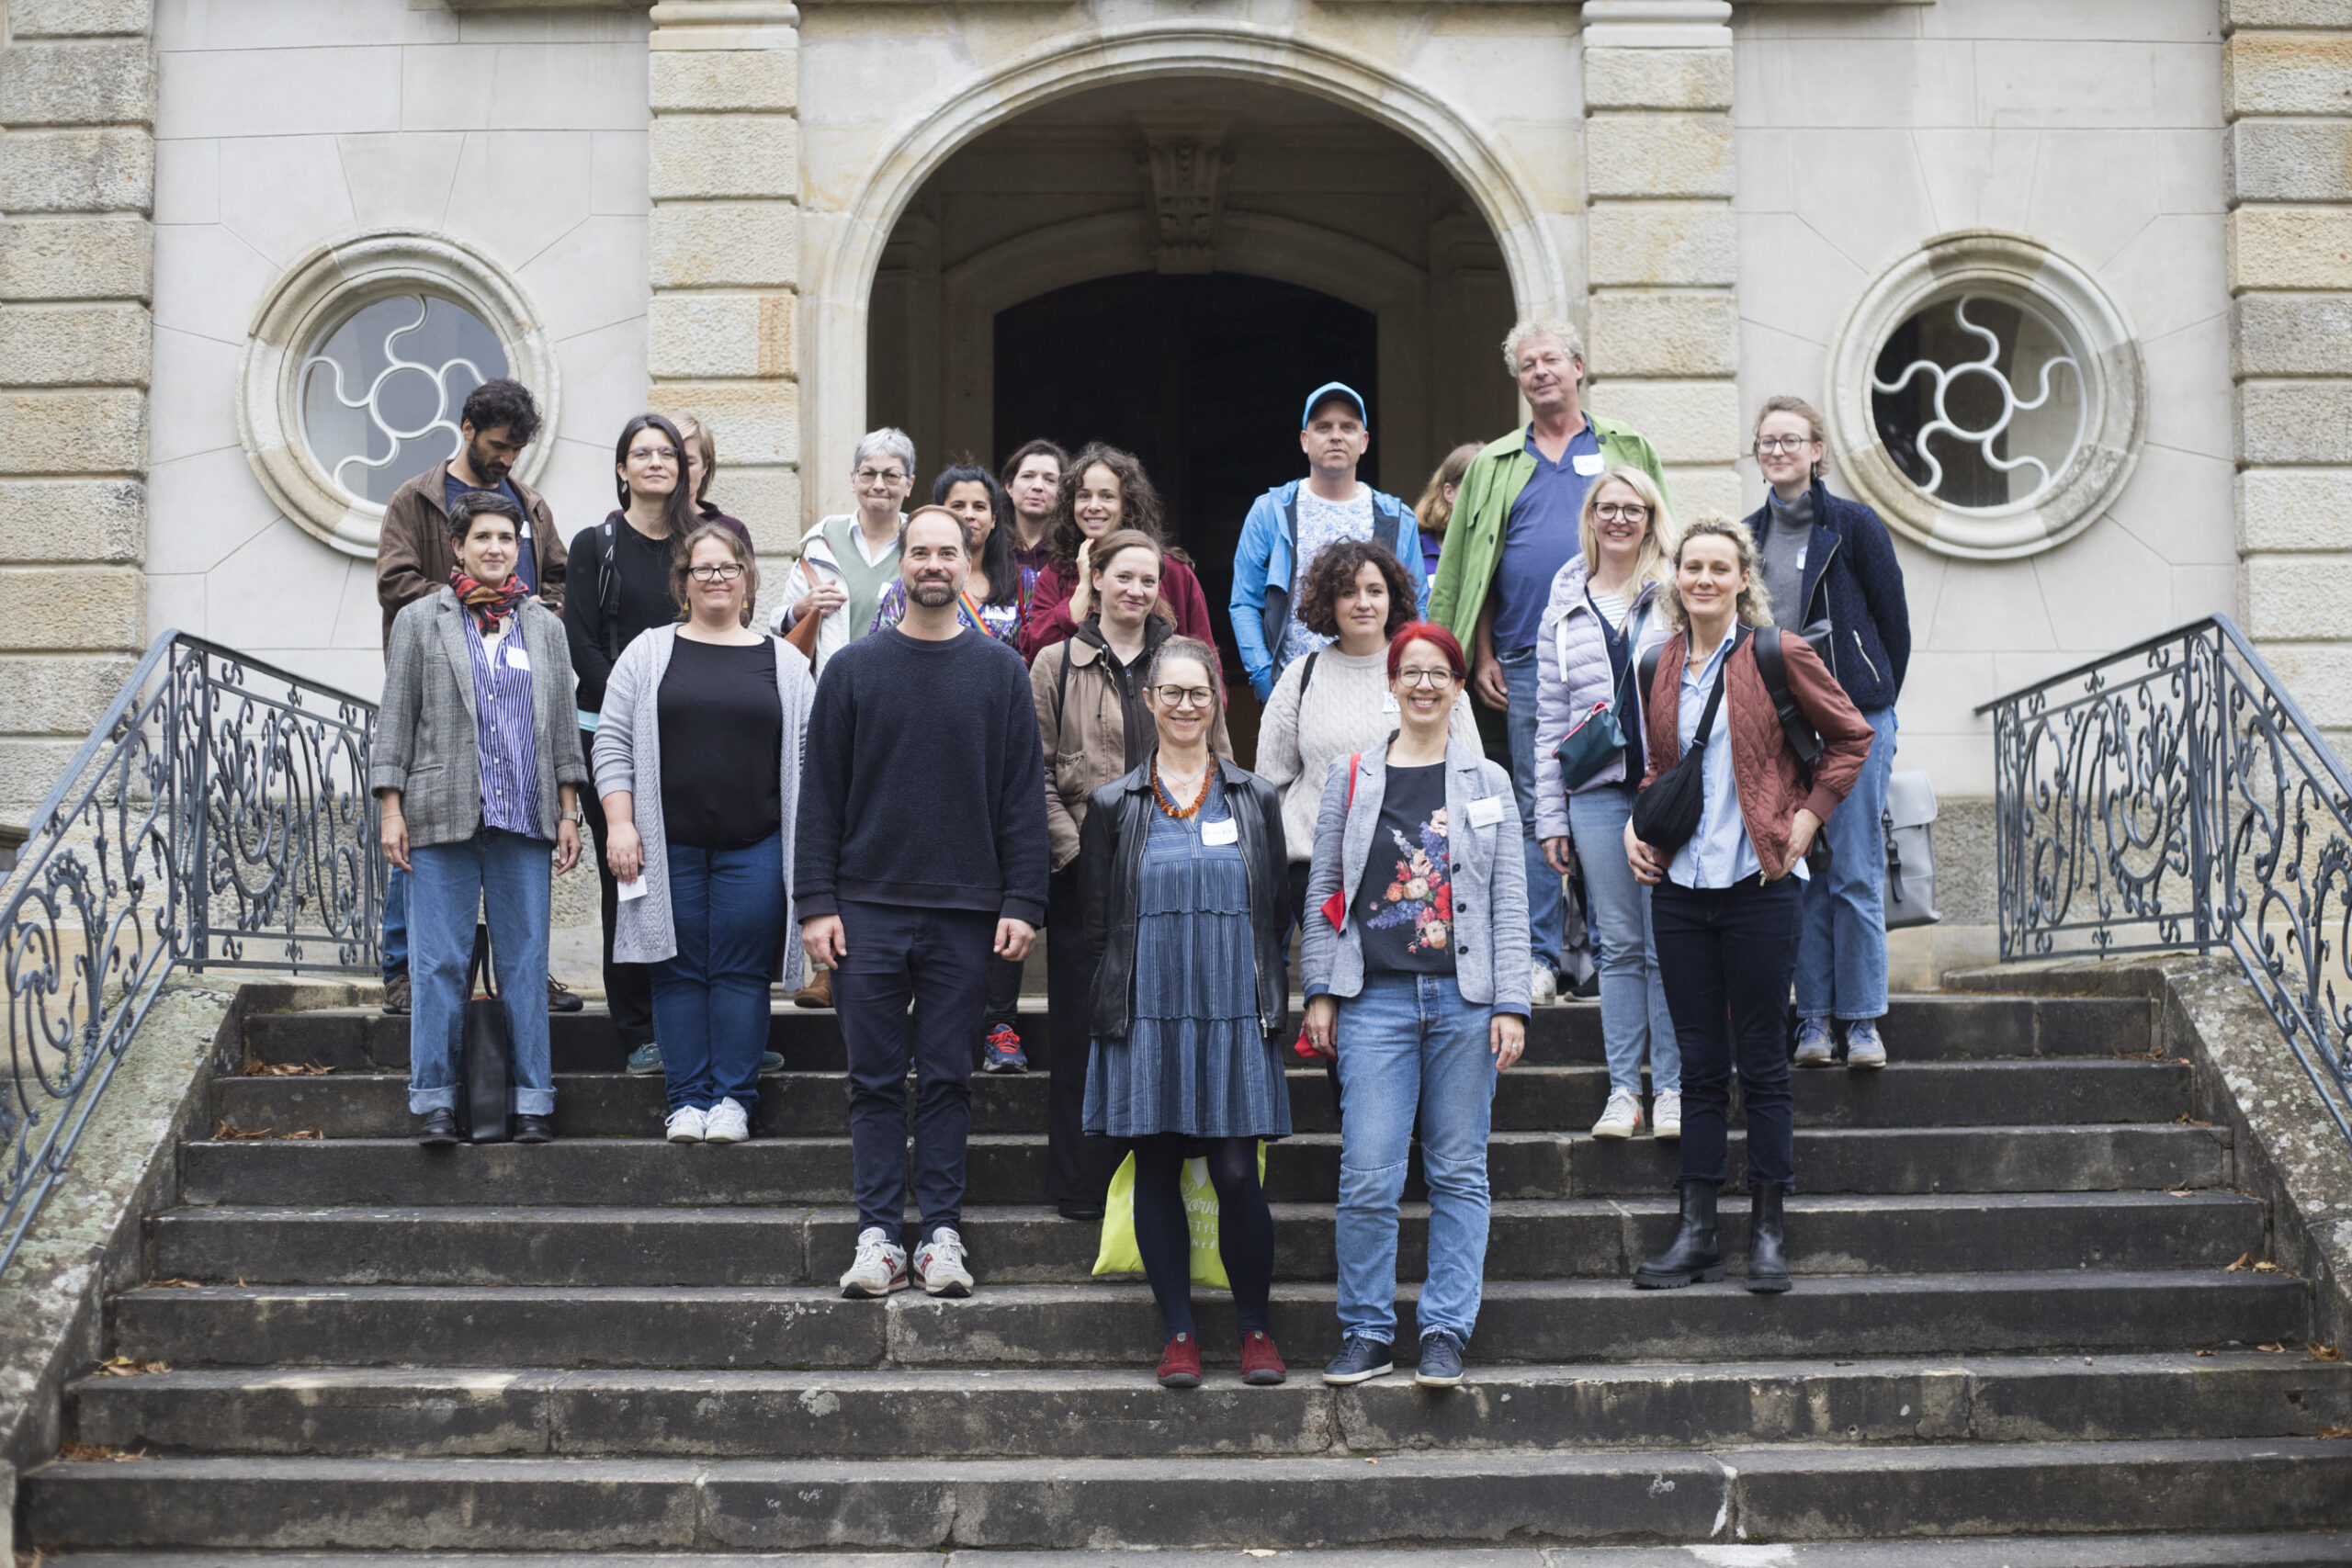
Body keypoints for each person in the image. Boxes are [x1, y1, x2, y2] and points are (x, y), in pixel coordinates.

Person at [798, 506, 1050, 1300]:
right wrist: (815, 903)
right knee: (873, 1078)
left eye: (949, 551)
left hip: (968, 912)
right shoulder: (852, 671)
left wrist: (1024, 900)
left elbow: (1021, 799)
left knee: (947, 1075)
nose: (933, 563)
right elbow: (820, 799)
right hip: (865, 907)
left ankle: (940, 1232)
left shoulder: (1001, 672)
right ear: (900, 564)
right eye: (920, 552)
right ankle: (877, 1233)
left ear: (969, 562)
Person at [1623, 515, 1873, 1294]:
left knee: (1762, 1063)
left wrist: (1807, 817)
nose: (1702, 578)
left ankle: (1768, 1230)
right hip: (1681, 891)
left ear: (1741, 579)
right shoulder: (1654, 663)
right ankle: (1697, 1231)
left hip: (1760, 886)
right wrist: (1639, 825)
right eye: (1690, 566)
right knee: (1699, 1066)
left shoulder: (1777, 652)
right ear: (1673, 579)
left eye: (1717, 567)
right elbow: (1660, 767)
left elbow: (1852, 737)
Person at [1301, 623, 1529, 1390]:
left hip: (1466, 1003)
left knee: (1460, 1171)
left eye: (1441, 673)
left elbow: (1508, 896)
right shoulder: (1352, 775)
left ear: (1459, 687)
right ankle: (1367, 1329)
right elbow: (1325, 891)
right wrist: (1321, 989)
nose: (1425, 684)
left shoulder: (1488, 782)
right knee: (1368, 1170)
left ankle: (1444, 1330)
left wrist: (1513, 1002)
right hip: (1375, 1001)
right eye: (1412, 672)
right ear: (1391, 683)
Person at [1429, 320, 1669, 1006]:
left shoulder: (1626, 446)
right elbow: (1468, 568)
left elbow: (1669, 543)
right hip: (1527, 657)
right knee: (1541, 808)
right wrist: (1477, 653)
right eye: (1526, 364)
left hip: (1625, 654)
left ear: (1578, 367)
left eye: (1550, 360)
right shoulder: (1495, 463)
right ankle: (1539, 954)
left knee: (1620, 791)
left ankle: (1604, 951)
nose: (1539, 372)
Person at [1077, 635, 1290, 1389]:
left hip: (1232, 1009)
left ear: (1218, 700)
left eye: (1199, 692)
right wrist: (1109, 1013)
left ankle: (1256, 1328)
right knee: (1158, 1165)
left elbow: (1276, 912)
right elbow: (1098, 925)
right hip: (1147, 1011)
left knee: (1237, 1170)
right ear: (1150, 701)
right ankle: (1178, 1333)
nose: (1186, 705)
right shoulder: (1113, 804)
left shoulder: (1256, 798)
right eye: (1171, 692)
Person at [371, 490, 588, 1145]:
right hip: (441, 815)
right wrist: (390, 808)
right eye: (483, 537)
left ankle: (532, 1103)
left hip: (524, 814)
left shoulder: (544, 627)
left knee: (525, 961)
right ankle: (434, 1101)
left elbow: (559, 727)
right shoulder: (419, 620)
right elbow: (395, 718)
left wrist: (570, 808)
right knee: (438, 963)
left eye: (507, 537)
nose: (496, 548)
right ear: (459, 546)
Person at [1031, 530, 1233, 1218]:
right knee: (1085, 1029)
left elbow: (1221, 766)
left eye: (1149, 580)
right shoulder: (1055, 662)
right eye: (1124, 577)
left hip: (1177, 882)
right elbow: (1035, 776)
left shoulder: (1185, 662)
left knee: (1166, 1025)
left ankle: (1160, 1185)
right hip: (1082, 879)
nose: (1138, 590)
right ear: (1096, 578)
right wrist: (1084, 855)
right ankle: (1084, 1184)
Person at [568, 414, 775, 1081]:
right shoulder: (594, 544)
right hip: (617, 733)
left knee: (711, 893)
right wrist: (640, 704)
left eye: (667, 452)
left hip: (700, 736)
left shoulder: (704, 543)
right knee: (629, 882)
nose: (656, 461)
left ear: (686, 468)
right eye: (641, 452)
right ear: (622, 467)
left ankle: (728, 1026)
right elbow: (582, 643)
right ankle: (639, 1028)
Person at [594, 524, 809, 1144]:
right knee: (677, 969)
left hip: (759, 847)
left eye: (728, 567)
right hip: (666, 846)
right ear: (683, 584)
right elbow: (610, 743)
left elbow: (810, 761)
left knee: (741, 972)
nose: (716, 577)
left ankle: (734, 1102)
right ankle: (686, 1101)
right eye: (702, 568)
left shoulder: (787, 662)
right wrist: (620, 822)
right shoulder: (648, 652)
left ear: (747, 579)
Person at [374, 378, 571, 1022]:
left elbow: (558, 575)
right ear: (466, 427)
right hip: (439, 695)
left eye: (516, 449)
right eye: (497, 445)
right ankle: (404, 970)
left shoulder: (530, 505)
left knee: (516, 846)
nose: (506, 459)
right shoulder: (417, 498)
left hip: (515, 695)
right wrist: (469, 600)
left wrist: (541, 615)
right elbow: (396, 583)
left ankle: (525, 971)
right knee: (424, 838)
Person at [1747, 397, 1912, 1072]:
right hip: (1784, 726)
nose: (1779, 450)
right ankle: (1812, 1018)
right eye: (1767, 440)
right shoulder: (1746, 534)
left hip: (1855, 719)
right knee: (1800, 871)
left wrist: (1871, 698)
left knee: (1857, 873)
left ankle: (1863, 1021)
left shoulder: (1854, 524)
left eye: (1791, 439)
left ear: (1817, 450)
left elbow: (1892, 622)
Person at [1532, 468, 1681, 1141]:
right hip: (1593, 792)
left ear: (1650, 518)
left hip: (1664, 785)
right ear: (1590, 517)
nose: (1619, 518)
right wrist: (1550, 814)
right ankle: (1625, 1089)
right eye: (1607, 507)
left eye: (1633, 508)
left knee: (1666, 944)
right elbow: (1549, 717)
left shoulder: (1676, 592)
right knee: (1617, 945)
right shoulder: (1563, 602)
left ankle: (1673, 1086)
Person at [871, 465, 1028, 1076]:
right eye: (922, 551)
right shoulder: (880, 635)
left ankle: (998, 1026)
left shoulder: (1017, 616)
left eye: (977, 506)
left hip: (982, 797)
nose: (934, 562)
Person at [1256, 539, 1474, 931]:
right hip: (1318, 870)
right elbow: (1270, 784)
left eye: (1375, 591)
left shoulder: (1425, 671)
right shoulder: (1301, 676)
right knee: (1329, 986)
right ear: (1328, 601)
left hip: (1415, 869)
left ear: (1393, 599)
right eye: (1347, 592)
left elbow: (1472, 773)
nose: (1363, 603)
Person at [1228, 382, 1430, 702]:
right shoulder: (1271, 511)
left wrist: (1406, 676)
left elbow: (1417, 606)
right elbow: (1244, 603)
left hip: (1377, 691)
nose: (1336, 435)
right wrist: (1267, 683)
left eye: (1347, 427)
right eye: (1324, 427)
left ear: (1364, 441)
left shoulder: (1396, 517)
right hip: (1294, 690)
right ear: (1304, 440)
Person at [1017, 444, 1219, 662]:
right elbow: (1035, 651)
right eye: (1084, 496)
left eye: (1107, 496)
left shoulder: (1173, 572)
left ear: (1126, 505)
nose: (1093, 506)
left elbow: (1205, 660)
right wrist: (1084, 587)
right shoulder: (1057, 572)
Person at [774, 428, 915, 676]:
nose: (879, 485)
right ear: (853, 480)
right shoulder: (823, 541)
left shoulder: (921, 542)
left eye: (891, 476)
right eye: (868, 474)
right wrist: (801, 608)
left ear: (909, 484)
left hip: (900, 686)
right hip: (833, 687)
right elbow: (777, 621)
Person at [869, 464, 1024, 646]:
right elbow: (880, 650)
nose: (969, 515)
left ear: (993, 519)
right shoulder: (909, 585)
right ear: (939, 513)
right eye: (958, 506)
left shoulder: (1023, 582)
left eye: (979, 507)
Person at [999, 438, 1067, 613]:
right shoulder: (989, 542)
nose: (1037, 486)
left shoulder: (1072, 549)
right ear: (1009, 486)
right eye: (1027, 476)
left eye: (1050, 480)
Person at [669, 413, 757, 547]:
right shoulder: (632, 524)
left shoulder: (733, 531)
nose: (680, 471)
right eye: (671, 459)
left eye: (689, 463)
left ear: (705, 466)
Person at [1412, 443, 1480, 585]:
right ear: (1449, 493)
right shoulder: (1414, 550)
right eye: (1474, 487)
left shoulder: (1504, 550)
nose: (1484, 498)